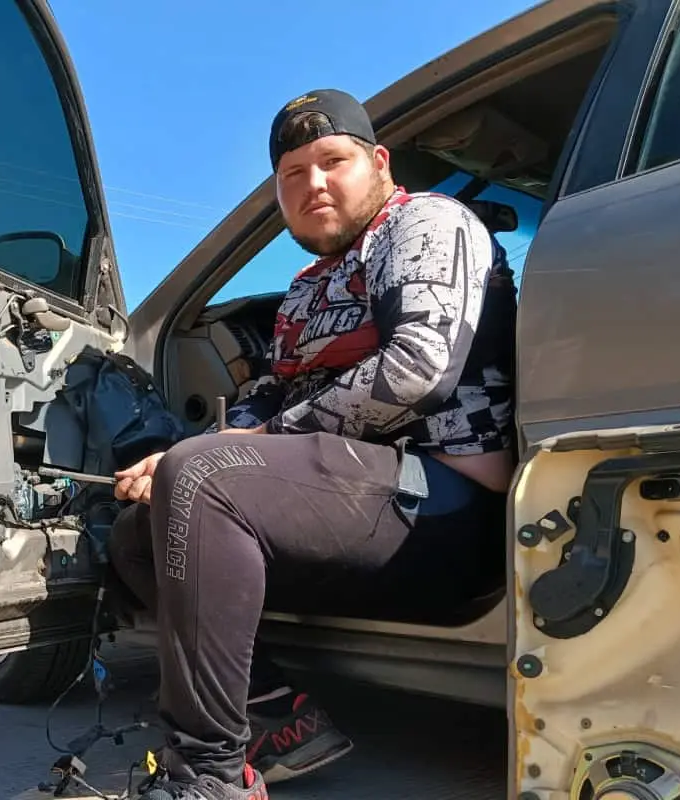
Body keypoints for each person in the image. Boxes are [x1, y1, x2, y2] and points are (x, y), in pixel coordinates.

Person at [105, 88, 517, 800]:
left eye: (332, 161)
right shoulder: (306, 288)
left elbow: (418, 368)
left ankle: (209, 772)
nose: (313, 183)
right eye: (293, 174)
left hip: (446, 507)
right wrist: (180, 457)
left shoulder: (424, 224)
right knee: (138, 531)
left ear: (379, 163)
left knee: (201, 478)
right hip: (353, 499)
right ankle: (277, 719)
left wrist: (227, 453)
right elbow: (271, 395)